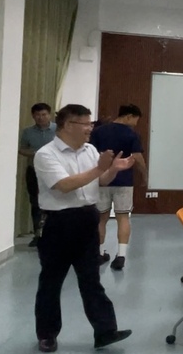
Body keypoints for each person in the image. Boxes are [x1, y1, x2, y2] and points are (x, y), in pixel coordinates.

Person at [33, 104, 133, 352]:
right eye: (85, 124)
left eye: (90, 123)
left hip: (87, 218)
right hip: (57, 223)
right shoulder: (46, 154)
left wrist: (112, 169)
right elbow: (64, 185)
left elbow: (100, 181)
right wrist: (100, 168)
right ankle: (47, 334)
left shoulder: (90, 150)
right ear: (68, 125)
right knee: (51, 282)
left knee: (91, 280)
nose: (90, 128)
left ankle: (105, 331)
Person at [90, 104, 147, 270]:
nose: (135, 123)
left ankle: (99, 253)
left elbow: (91, 154)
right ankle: (121, 256)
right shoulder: (132, 134)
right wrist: (144, 174)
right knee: (123, 217)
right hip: (124, 181)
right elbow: (137, 156)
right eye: (136, 120)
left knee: (101, 218)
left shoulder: (98, 132)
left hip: (101, 180)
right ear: (129, 116)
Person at [19, 103, 57, 247]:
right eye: (37, 115)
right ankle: (38, 234)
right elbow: (22, 149)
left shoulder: (58, 130)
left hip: (54, 171)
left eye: (43, 114)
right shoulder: (27, 132)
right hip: (33, 171)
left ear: (49, 115)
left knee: (54, 201)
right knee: (35, 202)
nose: (41, 118)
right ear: (33, 116)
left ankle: (53, 234)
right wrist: (35, 153)